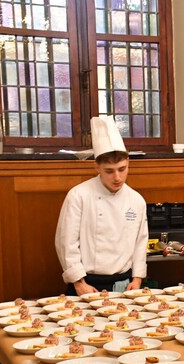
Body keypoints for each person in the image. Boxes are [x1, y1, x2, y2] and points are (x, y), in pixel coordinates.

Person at [55, 116, 148, 295]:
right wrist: (78, 282)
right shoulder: (79, 195)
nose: (117, 177)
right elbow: (66, 242)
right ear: (97, 167)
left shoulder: (136, 200)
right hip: (86, 284)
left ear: (128, 164)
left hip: (125, 285)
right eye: (109, 171)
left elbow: (140, 243)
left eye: (122, 169)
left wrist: (137, 279)